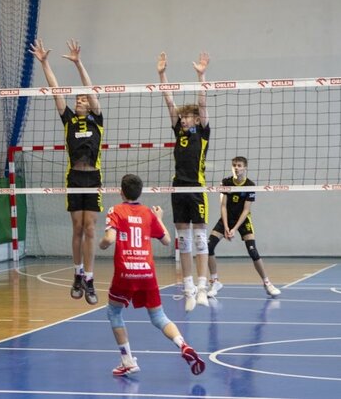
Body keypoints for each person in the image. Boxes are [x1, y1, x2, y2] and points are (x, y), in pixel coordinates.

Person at [99, 174, 206, 376]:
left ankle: (127, 360)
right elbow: (166, 240)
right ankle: (183, 344)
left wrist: (101, 244)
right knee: (158, 316)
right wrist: (159, 219)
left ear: (121, 192)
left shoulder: (116, 210)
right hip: (147, 272)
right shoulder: (148, 213)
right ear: (140, 192)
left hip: (125, 271)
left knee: (114, 312)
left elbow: (109, 239)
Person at [29, 38, 102, 305]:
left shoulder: (97, 120)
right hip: (74, 178)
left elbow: (91, 90)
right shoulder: (69, 119)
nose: (80, 100)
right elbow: (55, 90)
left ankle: (90, 279)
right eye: (78, 99)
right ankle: (77, 274)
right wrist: (45, 63)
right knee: (77, 227)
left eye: (83, 99)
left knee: (90, 229)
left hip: (93, 178)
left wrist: (78, 63)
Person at [157, 51, 210, 312]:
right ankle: (188, 289)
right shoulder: (179, 132)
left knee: (200, 240)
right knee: (184, 242)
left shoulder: (203, 132)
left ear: (197, 119)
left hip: (197, 188)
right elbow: (169, 101)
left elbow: (202, 102)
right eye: (183, 117)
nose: (184, 118)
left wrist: (201, 76)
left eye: (188, 116)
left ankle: (202, 288)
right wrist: (162, 74)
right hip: (178, 187)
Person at [206, 157, 281, 298]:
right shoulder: (226, 182)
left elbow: (246, 210)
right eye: (234, 165)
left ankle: (267, 283)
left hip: (243, 220)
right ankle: (215, 281)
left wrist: (234, 229)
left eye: (239, 165)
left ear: (245, 167)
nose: (236, 168)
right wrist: (226, 227)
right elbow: (223, 206)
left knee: (253, 251)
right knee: (208, 247)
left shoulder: (250, 185)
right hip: (226, 218)